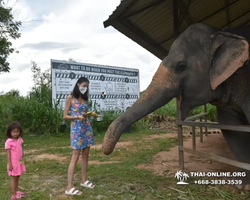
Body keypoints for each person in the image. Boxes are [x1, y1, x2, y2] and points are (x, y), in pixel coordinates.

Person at [63, 77, 97, 196]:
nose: (85, 88)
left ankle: (83, 180)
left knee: (86, 155)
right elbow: (65, 116)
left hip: (86, 128)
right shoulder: (70, 98)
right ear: (77, 84)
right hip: (76, 129)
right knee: (75, 156)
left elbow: (84, 113)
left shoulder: (84, 98)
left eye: (87, 86)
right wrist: (77, 117)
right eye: (83, 85)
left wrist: (90, 115)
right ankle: (69, 187)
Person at [5, 121, 26, 199]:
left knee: (18, 176)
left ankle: (16, 191)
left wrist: (23, 157)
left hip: (19, 162)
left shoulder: (19, 139)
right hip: (13, 163)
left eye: (17, 132)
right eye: (14, 132)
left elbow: (21, 149)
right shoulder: (8, 142)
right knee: (14, 178)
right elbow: (8, 154)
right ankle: (13, 195)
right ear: (10, 132)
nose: (16, 133)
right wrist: (10, 164)